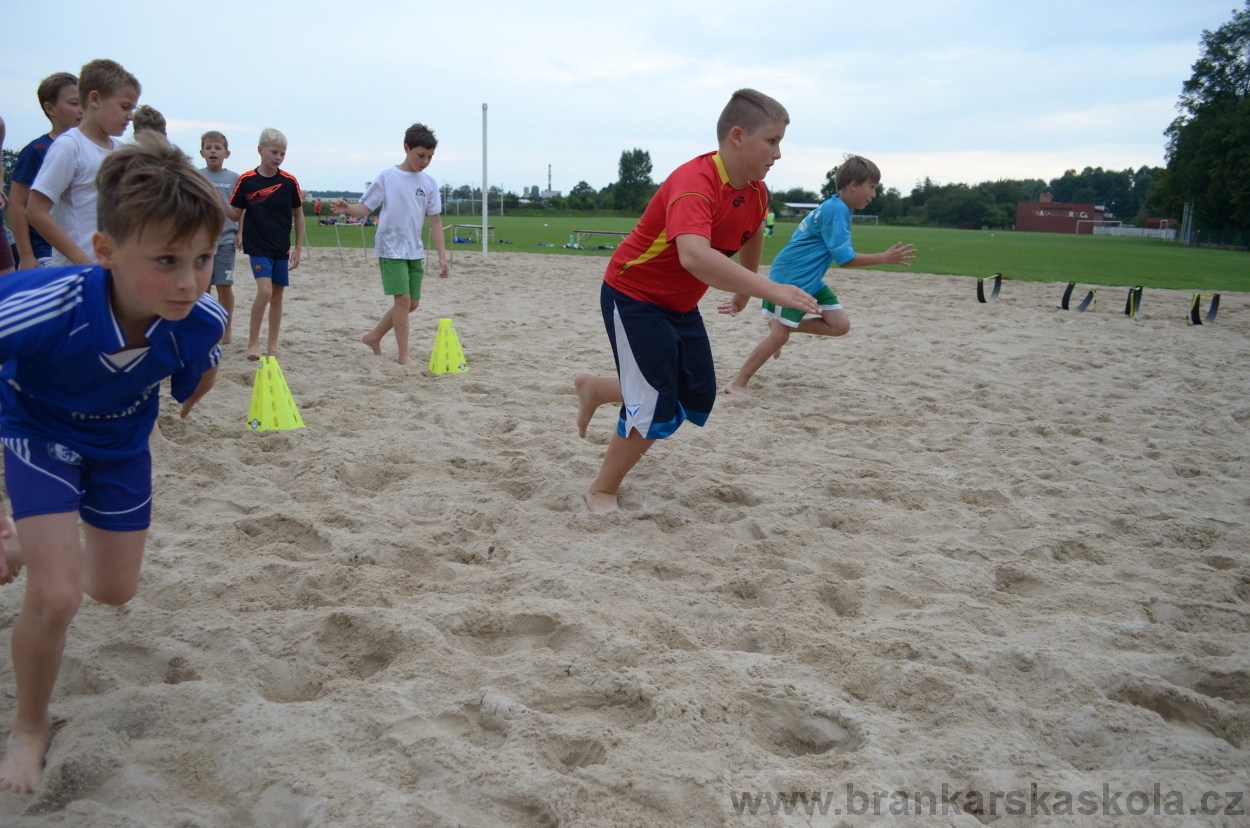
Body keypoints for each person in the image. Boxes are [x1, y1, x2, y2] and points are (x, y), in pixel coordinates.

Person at [0, 134, 227, 795]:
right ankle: (29, 728)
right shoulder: (45, 305)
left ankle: (18, 547)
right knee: (59, 595)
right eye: (165, 260)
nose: (188, 280)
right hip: (36, 431)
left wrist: (192, 394)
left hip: (122, 445)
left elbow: (201, 366)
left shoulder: (200, 318)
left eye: (202, 259)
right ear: (105, 252)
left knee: (113, 590)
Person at [574, 89, 820, 513]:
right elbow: (694, 255)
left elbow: (753, 230)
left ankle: (598, 388)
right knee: (653, 402)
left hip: (678, 304)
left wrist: (746, 286)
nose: (778, 154)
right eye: (772, 141)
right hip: (633, 295)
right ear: (738, 136)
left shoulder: (757, 190)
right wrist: (772, 290)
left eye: (781, 142)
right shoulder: (696, 181)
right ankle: (602, 489)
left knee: (697, 394)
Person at [719, 155, 915, 397]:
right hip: (791, 279)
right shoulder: (836, 209)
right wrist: (884, 258)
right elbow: (846, 259)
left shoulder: (838, 207)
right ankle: (738, 382)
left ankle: (783, 326)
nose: (874, 194)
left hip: (809, 279)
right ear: (854, 184)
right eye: (872, 187)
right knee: (779, 336)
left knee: (839, 325)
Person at [330, 123, 449, 365]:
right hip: (390, 247)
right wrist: (347, 209)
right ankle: (404, 355)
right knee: (402, 300)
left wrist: (442, 256)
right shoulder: (388, 177)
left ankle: (374, 336)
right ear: (406, 148)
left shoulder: (429, 183)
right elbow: (365, 208)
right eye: (420, 155)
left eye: (430, 157)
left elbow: (435, 221)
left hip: (414, 250)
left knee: (412, 303)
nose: (425, 161)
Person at [26, 59, 140, 268]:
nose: (131, 116)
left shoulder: (124, 151)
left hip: (116, 270)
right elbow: (35, 211)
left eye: (132, 108)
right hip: (77, 273)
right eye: (125, 107)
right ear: (95, 99)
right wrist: (83, 262)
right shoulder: (70, 146)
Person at [225, 128, 304, 360]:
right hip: (258, 247)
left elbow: (298, 215)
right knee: (265, 291)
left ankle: (272, 345)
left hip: (281, 247)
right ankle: (252, 344)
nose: (278, 157)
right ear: (260, 150)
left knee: (277, 296)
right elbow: (234, 213)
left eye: (282, 153)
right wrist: (216, 202)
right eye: (274, 152)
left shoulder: (289, 181)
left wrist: (298, 248)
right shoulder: (247, 180)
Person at [8, 72, 83, 272]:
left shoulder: (90, 148)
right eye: (74, 103)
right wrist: (25, 255)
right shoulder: (36, 150)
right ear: (50, 108)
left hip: (86, 250)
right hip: (47, 254)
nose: (82, 109)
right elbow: (17, 204)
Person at [198, 131, 240, 343]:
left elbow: (242, 210)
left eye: (217, 148)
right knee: (204, 286)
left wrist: (241, 232)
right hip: (202, 242)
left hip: (226, 240)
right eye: (208, 147)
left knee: (224, 285)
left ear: (227, 153)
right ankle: (206, 327)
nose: (213, 151)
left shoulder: (234, 178)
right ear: (202, 152)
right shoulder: (196, 176)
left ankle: (226, 327)